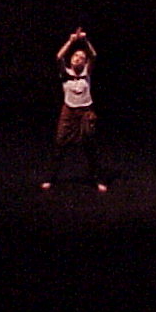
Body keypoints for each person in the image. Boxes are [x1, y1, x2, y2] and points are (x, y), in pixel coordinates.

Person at [41, 28, 107, 192]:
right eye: (76, 56)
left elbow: (94, 55)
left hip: (85, 112)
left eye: (82, 57)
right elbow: (58, 57)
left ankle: (97, 179)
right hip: (68, 112)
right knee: (60, 145)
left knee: (90, 147)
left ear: (85, 63)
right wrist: (71, 41)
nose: (78, 58)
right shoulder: (65, 73)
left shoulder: (86, 73)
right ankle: (50, 178)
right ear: (71, 59)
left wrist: (84, 41)